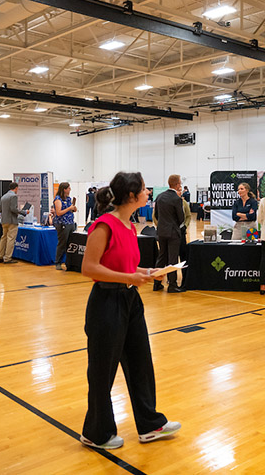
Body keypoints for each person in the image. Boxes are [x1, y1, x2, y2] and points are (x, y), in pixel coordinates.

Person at [79, 172, 180, 450]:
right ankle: (96, 433)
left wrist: (146, 271)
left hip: (130, 302)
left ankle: (150, 425)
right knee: (102, 371)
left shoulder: (129, 226)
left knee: (140, 364)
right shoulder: (104, 225)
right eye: (145, 190)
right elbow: (89, 268)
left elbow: (124, 266)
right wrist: (128, 278)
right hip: (106, 304)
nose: (149, 193)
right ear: (132, 196)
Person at [153, 174, 186, 293]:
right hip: (173, 232)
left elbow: (156, 215)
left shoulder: (160, 197)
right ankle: (172, 285)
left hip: (161, 231)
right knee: (172, 259)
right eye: (180, 183)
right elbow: (181, 218)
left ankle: (157, 283)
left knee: (161, 257)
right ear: (177, 184)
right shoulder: (177, 199)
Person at [0, 182, 28, 264]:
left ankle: (0, 256)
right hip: (11, 221)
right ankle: (7, 258)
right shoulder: (13, 196)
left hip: (4, 220)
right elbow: (13, 209)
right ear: (16, 188)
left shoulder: (3, 196)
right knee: (11, 239)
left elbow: (0, 209)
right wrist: (24, 212)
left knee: (3, 238)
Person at [53, 182, 78, 270]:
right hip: (62, 223)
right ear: (64, 189)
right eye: (68, 188)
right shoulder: (58, 199)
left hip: (70, 222)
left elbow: (71, 210)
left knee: (70, 243)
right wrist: (69, 208)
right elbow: (59, 213)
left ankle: (69, 262)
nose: (70, 190)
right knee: (62, 243)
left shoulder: (68, 198)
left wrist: (73, 209)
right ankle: (58, 262)